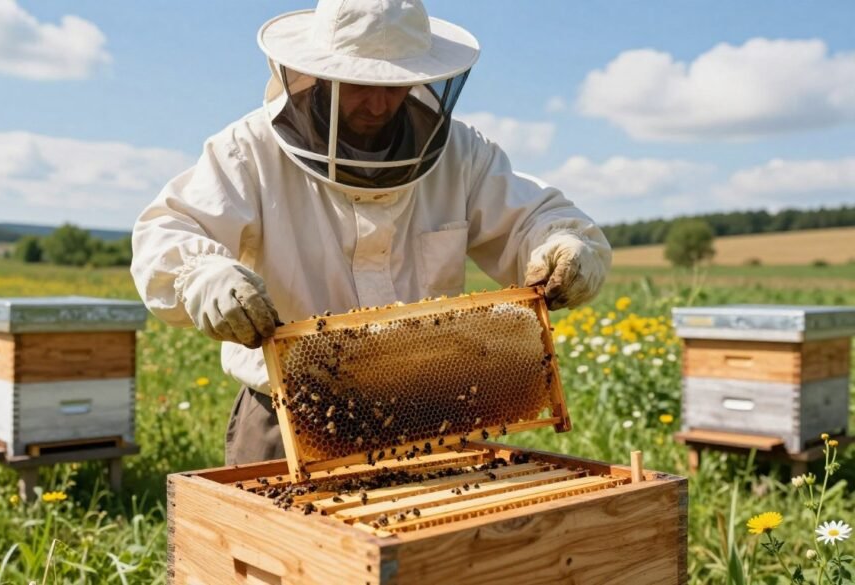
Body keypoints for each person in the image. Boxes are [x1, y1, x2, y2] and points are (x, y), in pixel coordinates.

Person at [131, 0, 612, 466]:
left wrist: (563, 244)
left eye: (397, 85)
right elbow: (169, 230)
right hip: (290, 422)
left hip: (431, 415)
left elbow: (533, 217)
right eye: (360, 85)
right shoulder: (248, 150)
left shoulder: (462, 153)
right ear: (320, 72)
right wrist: (203, 274)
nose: (379, 104)